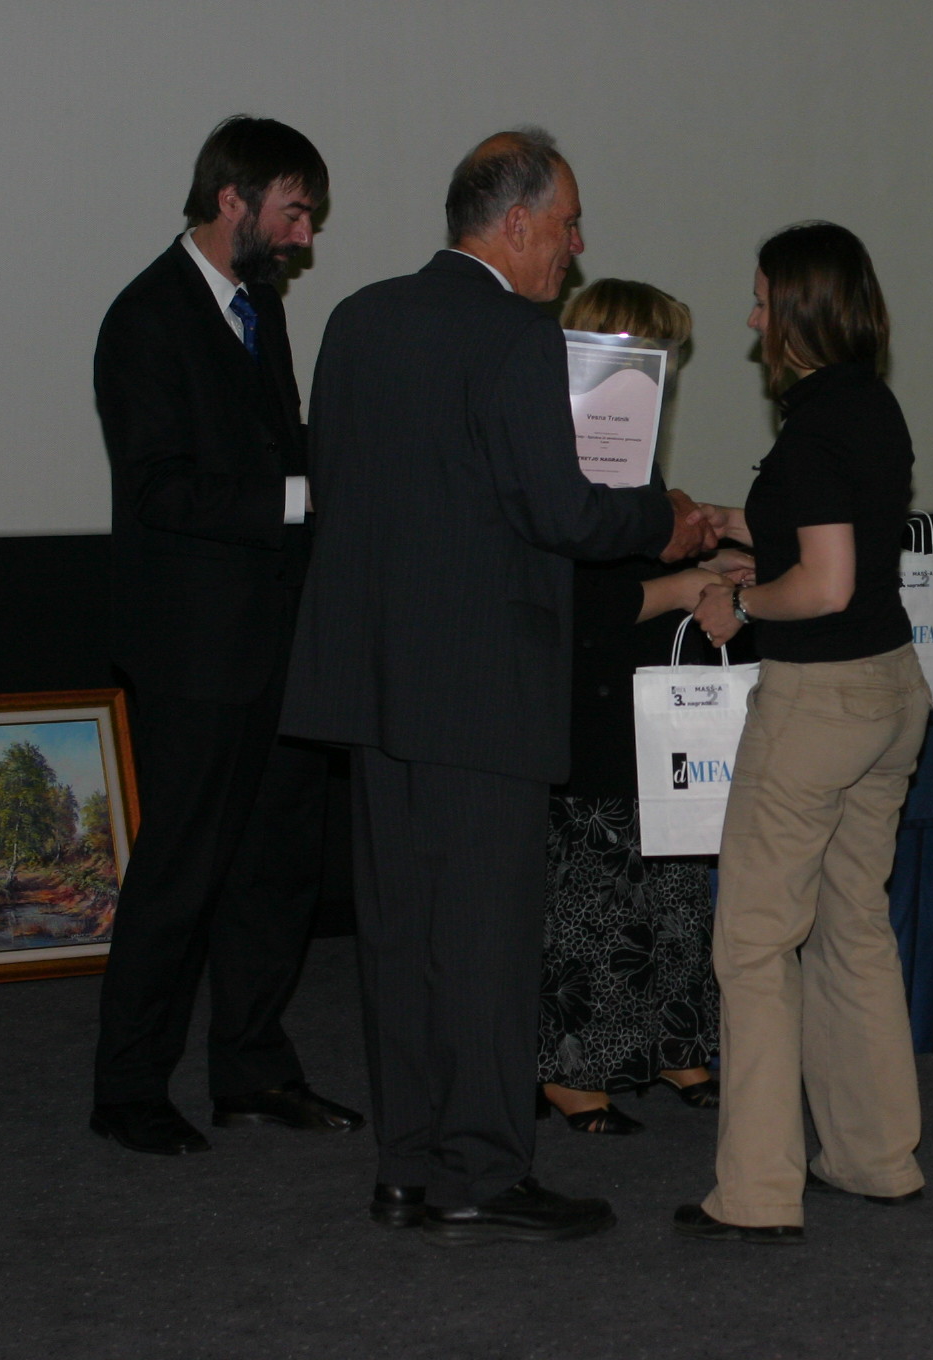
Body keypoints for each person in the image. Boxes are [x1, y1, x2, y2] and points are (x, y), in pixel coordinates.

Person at [279, 128, 721, 1245]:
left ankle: (406, 1165)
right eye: (567, 224)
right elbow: (562, 512)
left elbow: (338, 486)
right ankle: (480, 1169)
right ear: (514, 223)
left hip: (375, 686)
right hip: (481, 692)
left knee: (399, 937)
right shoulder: (519, 337)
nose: (576, 247)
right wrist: (660, 520)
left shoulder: (356, 319)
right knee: (483, 941)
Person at [90, 115, 362, 1157]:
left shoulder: (260, 309)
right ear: (232, 200)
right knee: (183, 872)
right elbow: (159, 489)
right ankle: (127, 1089)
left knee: (277, 869)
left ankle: (252, 1071)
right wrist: (302, 494)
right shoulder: (145, 318)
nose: (303, 237)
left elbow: (273, 444)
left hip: (281, 642)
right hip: (196, 654)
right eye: (293, 213)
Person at [675, 223, 932, 1244]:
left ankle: (755, 1192)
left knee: (751, 942)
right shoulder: (868, 404)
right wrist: (738, 527)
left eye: (761, 300)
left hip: (820, 702)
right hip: (890, 689)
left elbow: (820, 586)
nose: (750, 319)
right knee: (852, 925)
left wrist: (740, 604)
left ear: (799, 309)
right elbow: (839, 543)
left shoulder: (815, 425)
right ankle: (875, 1157)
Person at [539, 280, 742, 1136]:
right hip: (587, 699)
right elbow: (581, 606)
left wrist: (700, 551)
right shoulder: (567, 451)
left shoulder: (631, 447)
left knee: (673, 876)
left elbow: (633, 557)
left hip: (646, 694)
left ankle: (675, 1043)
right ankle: (572, 1070)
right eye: (654, 351)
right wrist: (686, 585)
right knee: (596, 889)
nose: (664, 372)